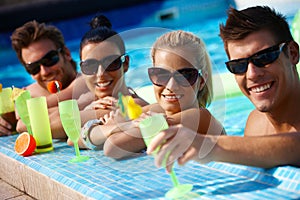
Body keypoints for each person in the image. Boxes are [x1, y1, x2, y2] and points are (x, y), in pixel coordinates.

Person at [147, 6, 300, 172]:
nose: (252, 74)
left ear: (292, 53)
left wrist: (209, 145)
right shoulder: (256, 125)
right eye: (239, 65)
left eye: (264, 57)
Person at [93, 30, 226, 159]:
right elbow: (80, 137)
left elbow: (112, 148)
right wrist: (122, 126)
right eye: (161, 75)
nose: (171, 86)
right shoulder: (157, 110)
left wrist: (118, 126)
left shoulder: (199, 117)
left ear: (201, 81)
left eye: (185, 76)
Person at [67, 15, 148, 147]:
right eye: (90, 65)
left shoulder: (137, 106)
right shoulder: (88, 103)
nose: (101, 74)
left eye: (110, 63)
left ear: (125, 64)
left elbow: (70, 137)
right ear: (82, 69)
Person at [5, 20, 90, 138]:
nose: (45, 72)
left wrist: (25, 110)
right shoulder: (28, 93)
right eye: (34, 67)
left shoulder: (88, 80)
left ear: (66, 53)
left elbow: (22, 124)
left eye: (49, 59)